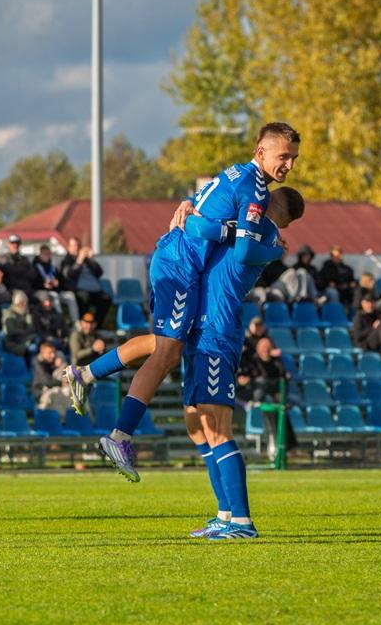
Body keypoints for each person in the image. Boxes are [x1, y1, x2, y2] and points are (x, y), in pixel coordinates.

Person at [63, 123, 300, 481]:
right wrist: (260, 242)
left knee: (163, 345)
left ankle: (86, 374)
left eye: (294, 158)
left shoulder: (236, 174)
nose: (289, 165)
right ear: (260, 151)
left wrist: (195, 210)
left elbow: (206, 211)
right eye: (284, 156)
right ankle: (119, 435)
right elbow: (207, 231)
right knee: (167, 353)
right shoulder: (254, 189)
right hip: (181, 264)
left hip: (179, 261)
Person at [181, 190, 302, 540]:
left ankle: (242, 521)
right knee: (196, 423)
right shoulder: (256, 229)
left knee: (217, 424)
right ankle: (223, 513)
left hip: (219, 329)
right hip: (201, 327)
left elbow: (205, 229)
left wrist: (190, 211)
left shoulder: (261, 230)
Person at [60, 237, 110, 325]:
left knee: (106, 299)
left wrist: (91, 259)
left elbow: (99, 273)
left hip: (95, 291)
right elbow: (69, 275)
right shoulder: (67, 261)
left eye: (78, 245)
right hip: (79, 291)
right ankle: (84, 326)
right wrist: (79, 261)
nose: (77, 247)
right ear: (69, 247)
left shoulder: (87, 261)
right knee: (84, 299)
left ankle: (96, 326)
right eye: (74, 245)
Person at [32, 341, 72, 415]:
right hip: (41, 394)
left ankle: (71, 419)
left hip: (53, 389)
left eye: (54, 353)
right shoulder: (37, 363)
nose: (53, 355)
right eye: (49, 353)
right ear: (42, 353)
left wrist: (59, 366)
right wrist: (61, 383)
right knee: (56, 393)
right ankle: (62, 420)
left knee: (69, 392)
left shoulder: (52, 362)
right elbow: (47, 381)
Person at [1, 290, 34, 358]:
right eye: (22, 303)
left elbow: (31, 328)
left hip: (24, 339)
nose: (24, 305)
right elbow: (11, 331)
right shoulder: (9, 313)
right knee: (31, 348)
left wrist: (28, 314)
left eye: (25, 303)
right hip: (13, 343)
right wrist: (25, 332)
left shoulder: (24, 313)